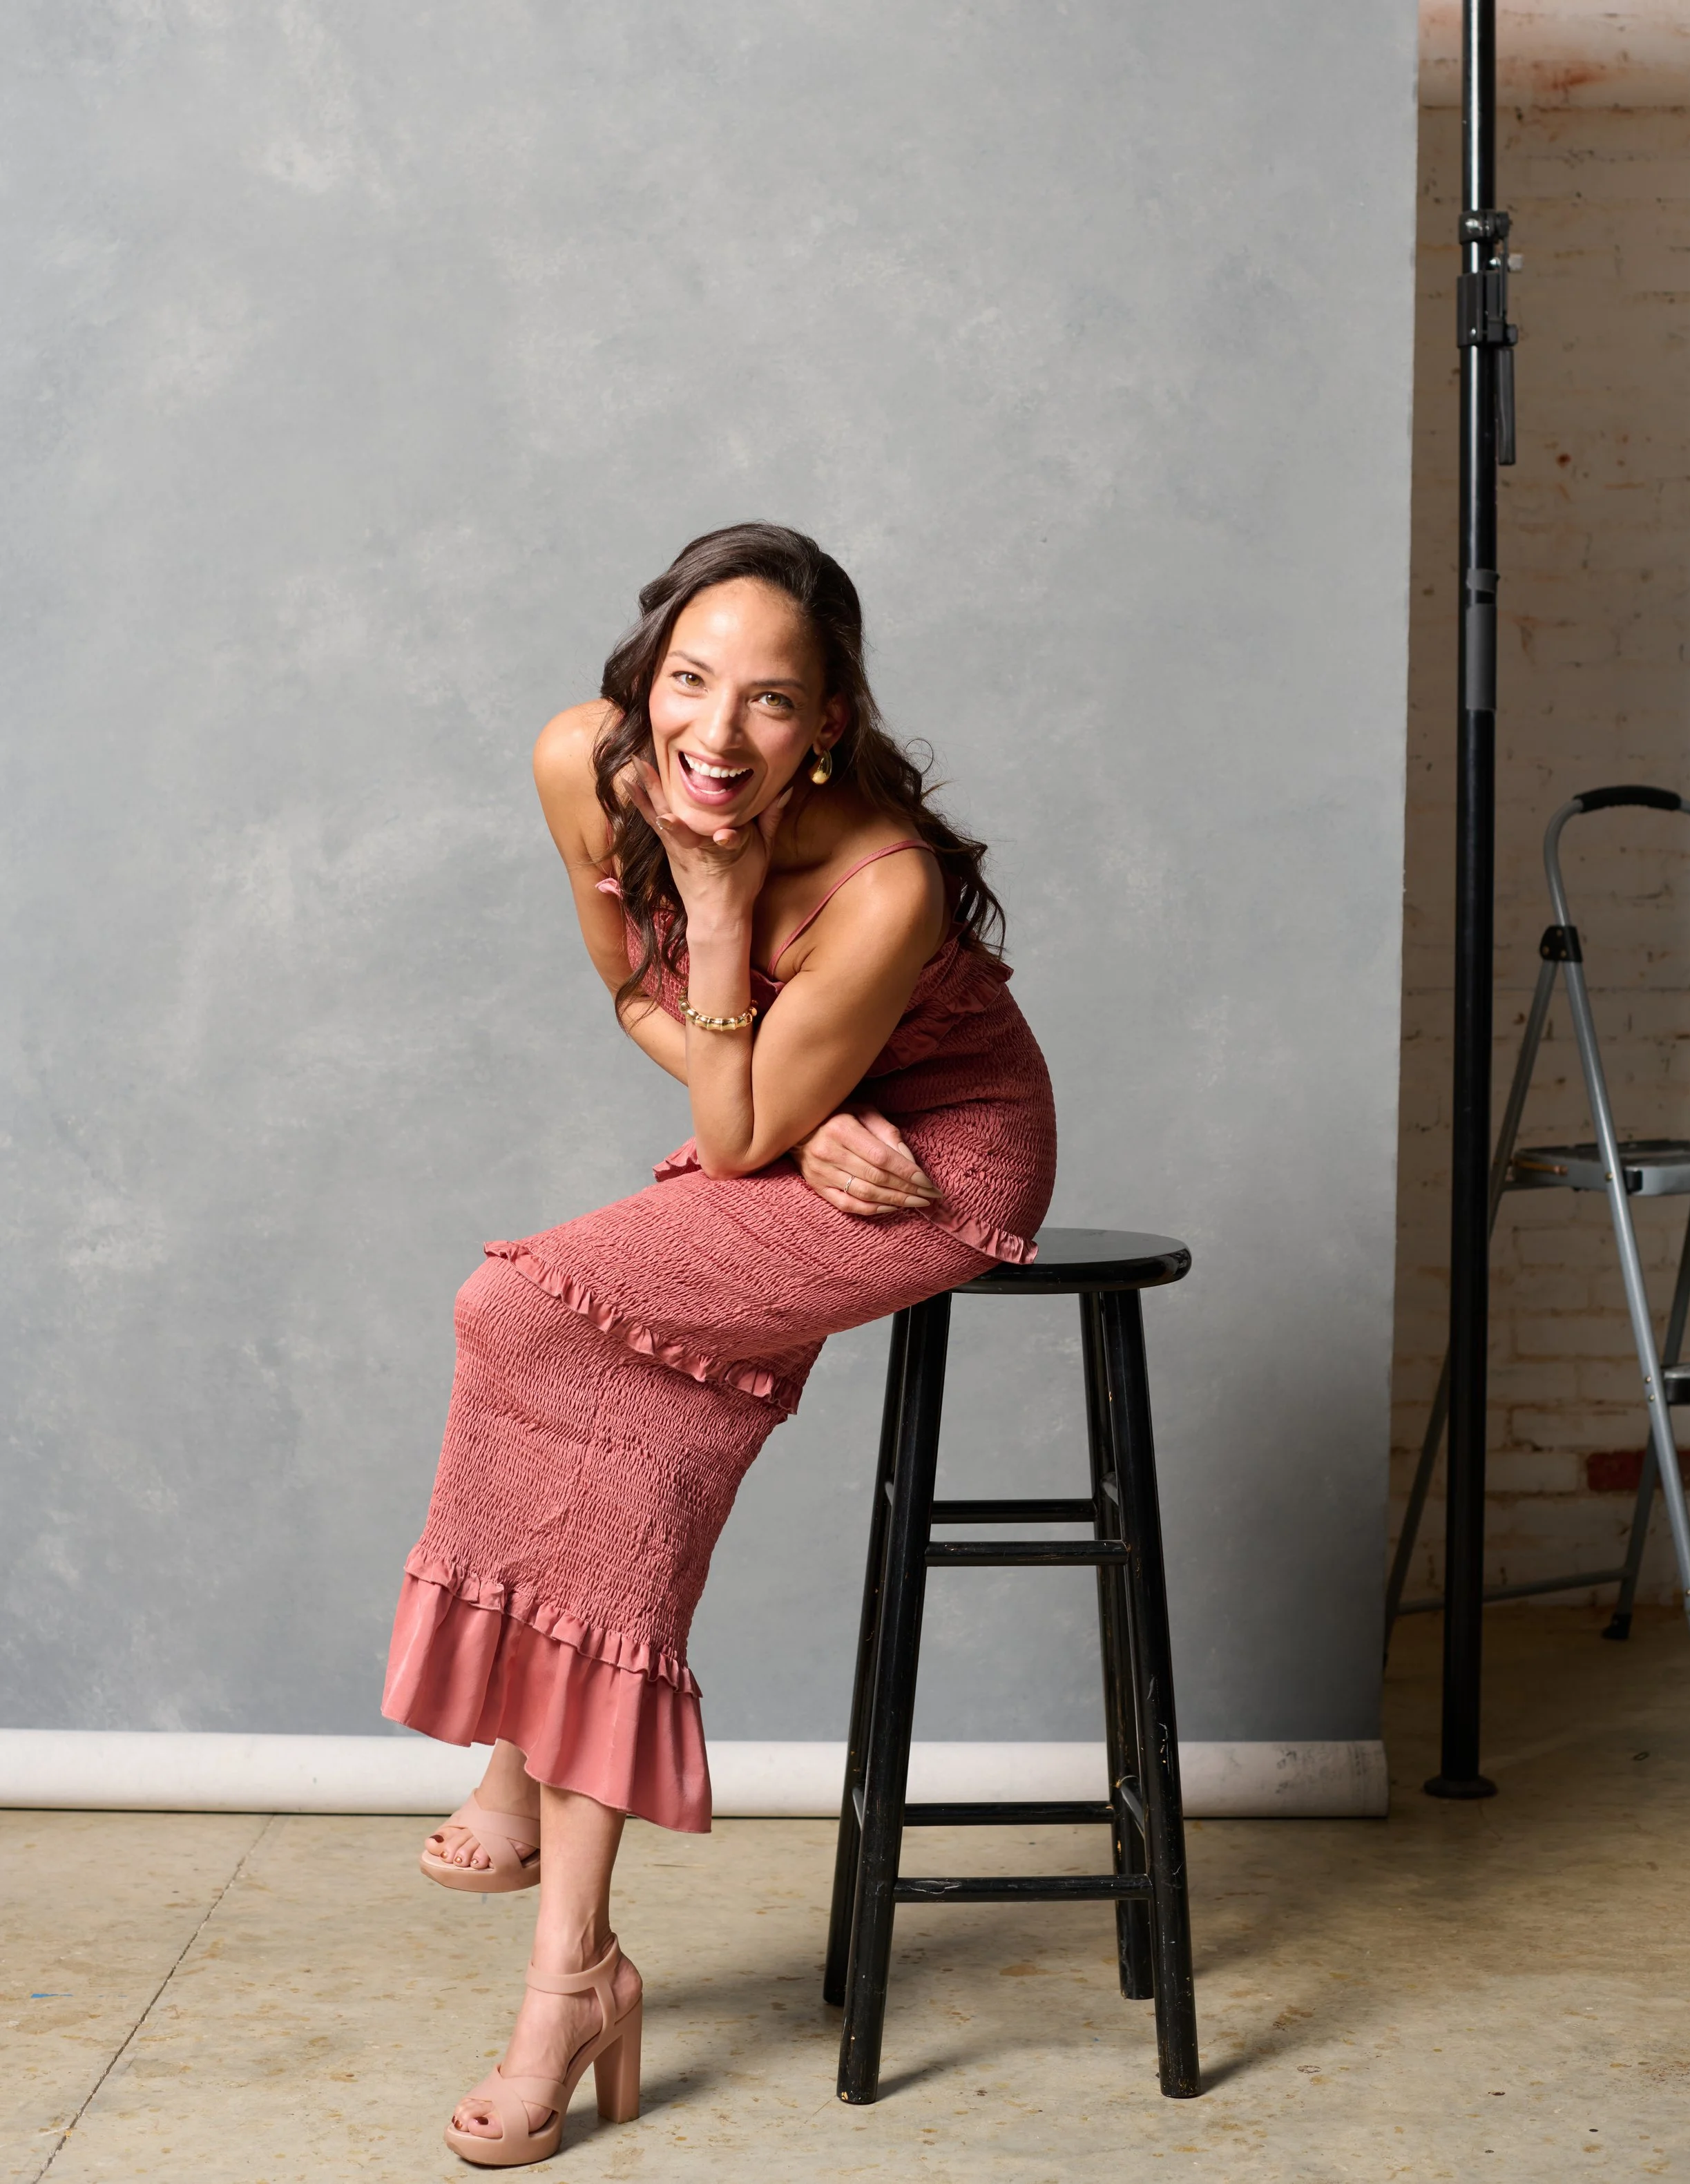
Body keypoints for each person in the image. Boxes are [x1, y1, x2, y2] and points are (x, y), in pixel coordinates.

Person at [381, 521, 1057, 2165]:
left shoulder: (882, 880)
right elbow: (630, 995)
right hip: (789, 1110)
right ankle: (576, 1971)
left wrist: (771, 1046)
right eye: (690, 682)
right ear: (646, 678)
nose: (714, 734)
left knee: (516, 1308)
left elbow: (738, 1125)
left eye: (769, 704)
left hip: (939, 1166)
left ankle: (527, 1784)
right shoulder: (583, 765)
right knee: (638, 1421)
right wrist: (761, 1073)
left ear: (826, 724)